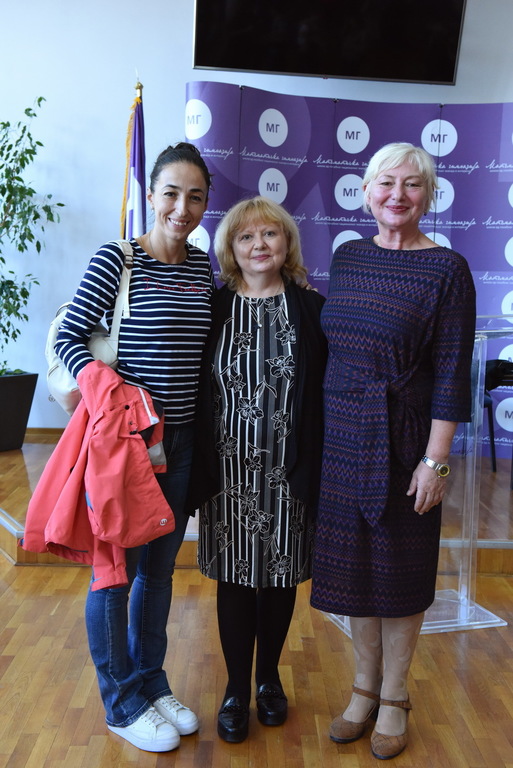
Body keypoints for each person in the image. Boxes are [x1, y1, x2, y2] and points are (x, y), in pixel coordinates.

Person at [310, 143, 476, 760]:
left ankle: (395, 695)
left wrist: (436, 460)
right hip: (343, 437)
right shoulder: (348, 257)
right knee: (356, 570)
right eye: (386, 183)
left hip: (407, 441)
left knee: (400, 572)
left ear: (428, 195)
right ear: (366, 191)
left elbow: (452, 374)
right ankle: (363, 688)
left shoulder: (448, 269)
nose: (397, 195)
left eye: (411, 184)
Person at [54, 143, 215, 753]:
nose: (182, 207)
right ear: (150, 195)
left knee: (158, 572)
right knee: (115, 574)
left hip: (182, 443)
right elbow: (69, 338)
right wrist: (109, 391)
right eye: (171, 193)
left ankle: (150, 681)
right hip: (125, 445)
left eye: (195, 196)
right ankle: (121, 703)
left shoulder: (201, 267)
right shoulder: (117, 258)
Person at [189, 196, 327, 743]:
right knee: (234, 579)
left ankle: (268, 678)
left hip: (288, 472)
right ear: (231, 249)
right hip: (227, 472)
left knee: (280, 578)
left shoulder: (312, 309)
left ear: (286, 242)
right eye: (246, 237)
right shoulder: (213, 306)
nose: (259, 245)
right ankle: (235, 690)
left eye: (270, 233)